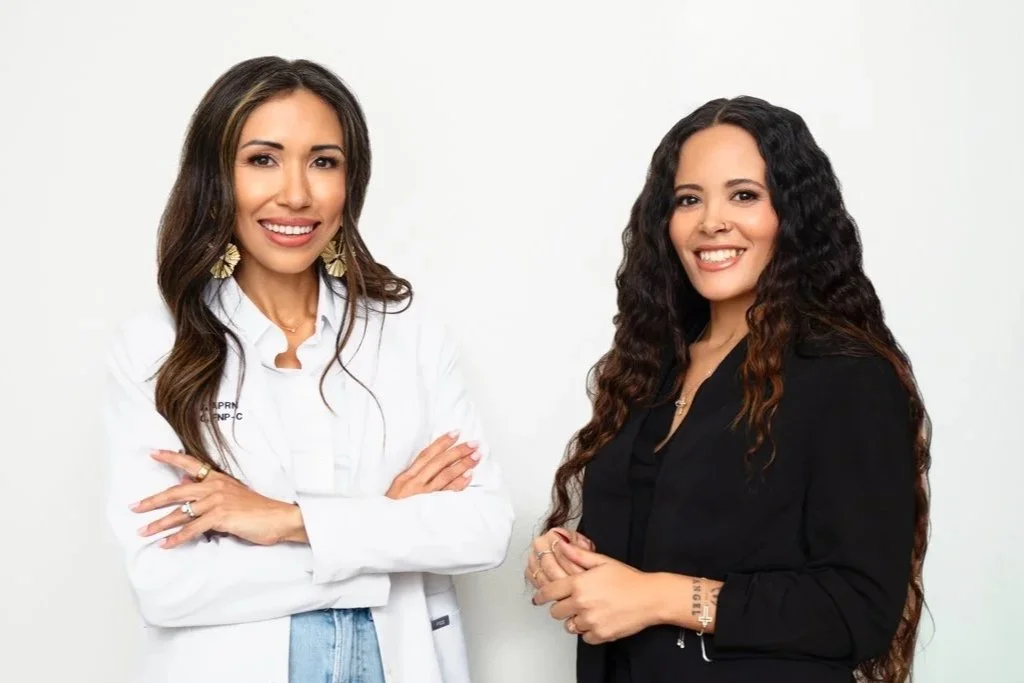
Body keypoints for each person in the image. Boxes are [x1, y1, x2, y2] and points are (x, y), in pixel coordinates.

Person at [101, 56, 514, 683]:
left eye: (324, 161)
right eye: (262, 159)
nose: (296, 193)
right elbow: (166, 585)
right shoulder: (157, 348)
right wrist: (386, 532)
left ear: (352, 181)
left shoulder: (406, 331)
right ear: (216, 177)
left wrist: (282, 522)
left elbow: (482, 531)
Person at [526, 96, 931, 683]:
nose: (711, 221)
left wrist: (661, 598)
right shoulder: (647, 370)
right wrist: (563, 556)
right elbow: (646, 547)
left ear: (792, 214)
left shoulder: (847, 374)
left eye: (744, 195)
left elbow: (860, 609)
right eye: (688, 199)